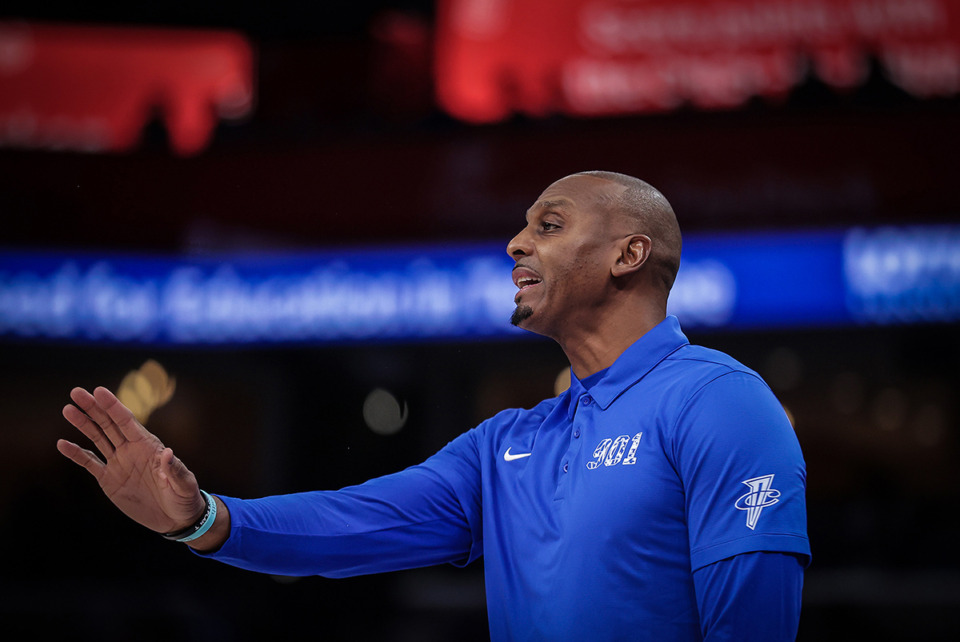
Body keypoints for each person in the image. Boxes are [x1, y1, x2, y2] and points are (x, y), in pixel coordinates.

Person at [59, 171, 810, 641]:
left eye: (548, 225)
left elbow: (753, 620)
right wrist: (203, 520)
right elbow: (355, 521)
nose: (516, 243)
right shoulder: (507, 443)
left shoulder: (719, 401)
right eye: (522, 226)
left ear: (629, 255)